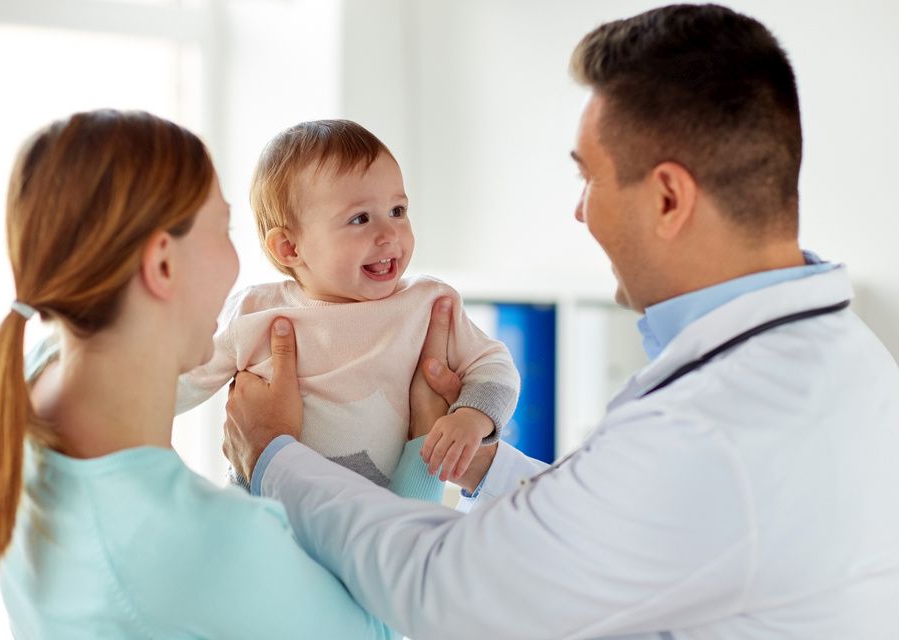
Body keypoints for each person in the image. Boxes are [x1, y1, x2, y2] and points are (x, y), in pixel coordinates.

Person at [223, 4, 899, 638]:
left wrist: (275, 455)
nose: (581, 212)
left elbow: (450, 592)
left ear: (667, 198)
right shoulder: (844, 355)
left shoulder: (708, 422)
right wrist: (480, 465)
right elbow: (641, 528)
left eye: (589, 180)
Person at [0, 109, 444, 638]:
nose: (241, 262)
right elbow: (389, 627)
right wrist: (422, 450)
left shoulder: (34, 379)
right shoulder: (212, 547)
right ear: (163, 265)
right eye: (225, 227)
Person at [177, 119, 519, 486]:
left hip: (382, 514)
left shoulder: (428, 304)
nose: (389, 234)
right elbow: (179, 385)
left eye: (398, 211)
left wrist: (471, 416)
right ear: (290, 247)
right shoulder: (255, 311)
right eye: (359, 219)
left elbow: (495, 367)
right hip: (266, 512)